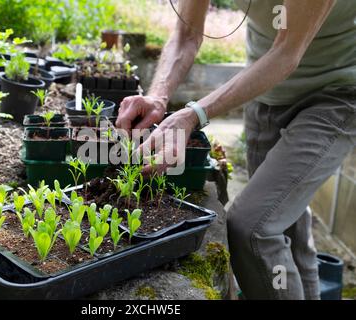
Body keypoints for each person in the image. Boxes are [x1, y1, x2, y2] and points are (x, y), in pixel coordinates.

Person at [116, 0, 356, 299]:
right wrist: (157, 98)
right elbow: (186, 34)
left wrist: (193, 114)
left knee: (254, 227)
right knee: (287, 225)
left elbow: (287, 52)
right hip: (265, 92)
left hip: (337, 94)